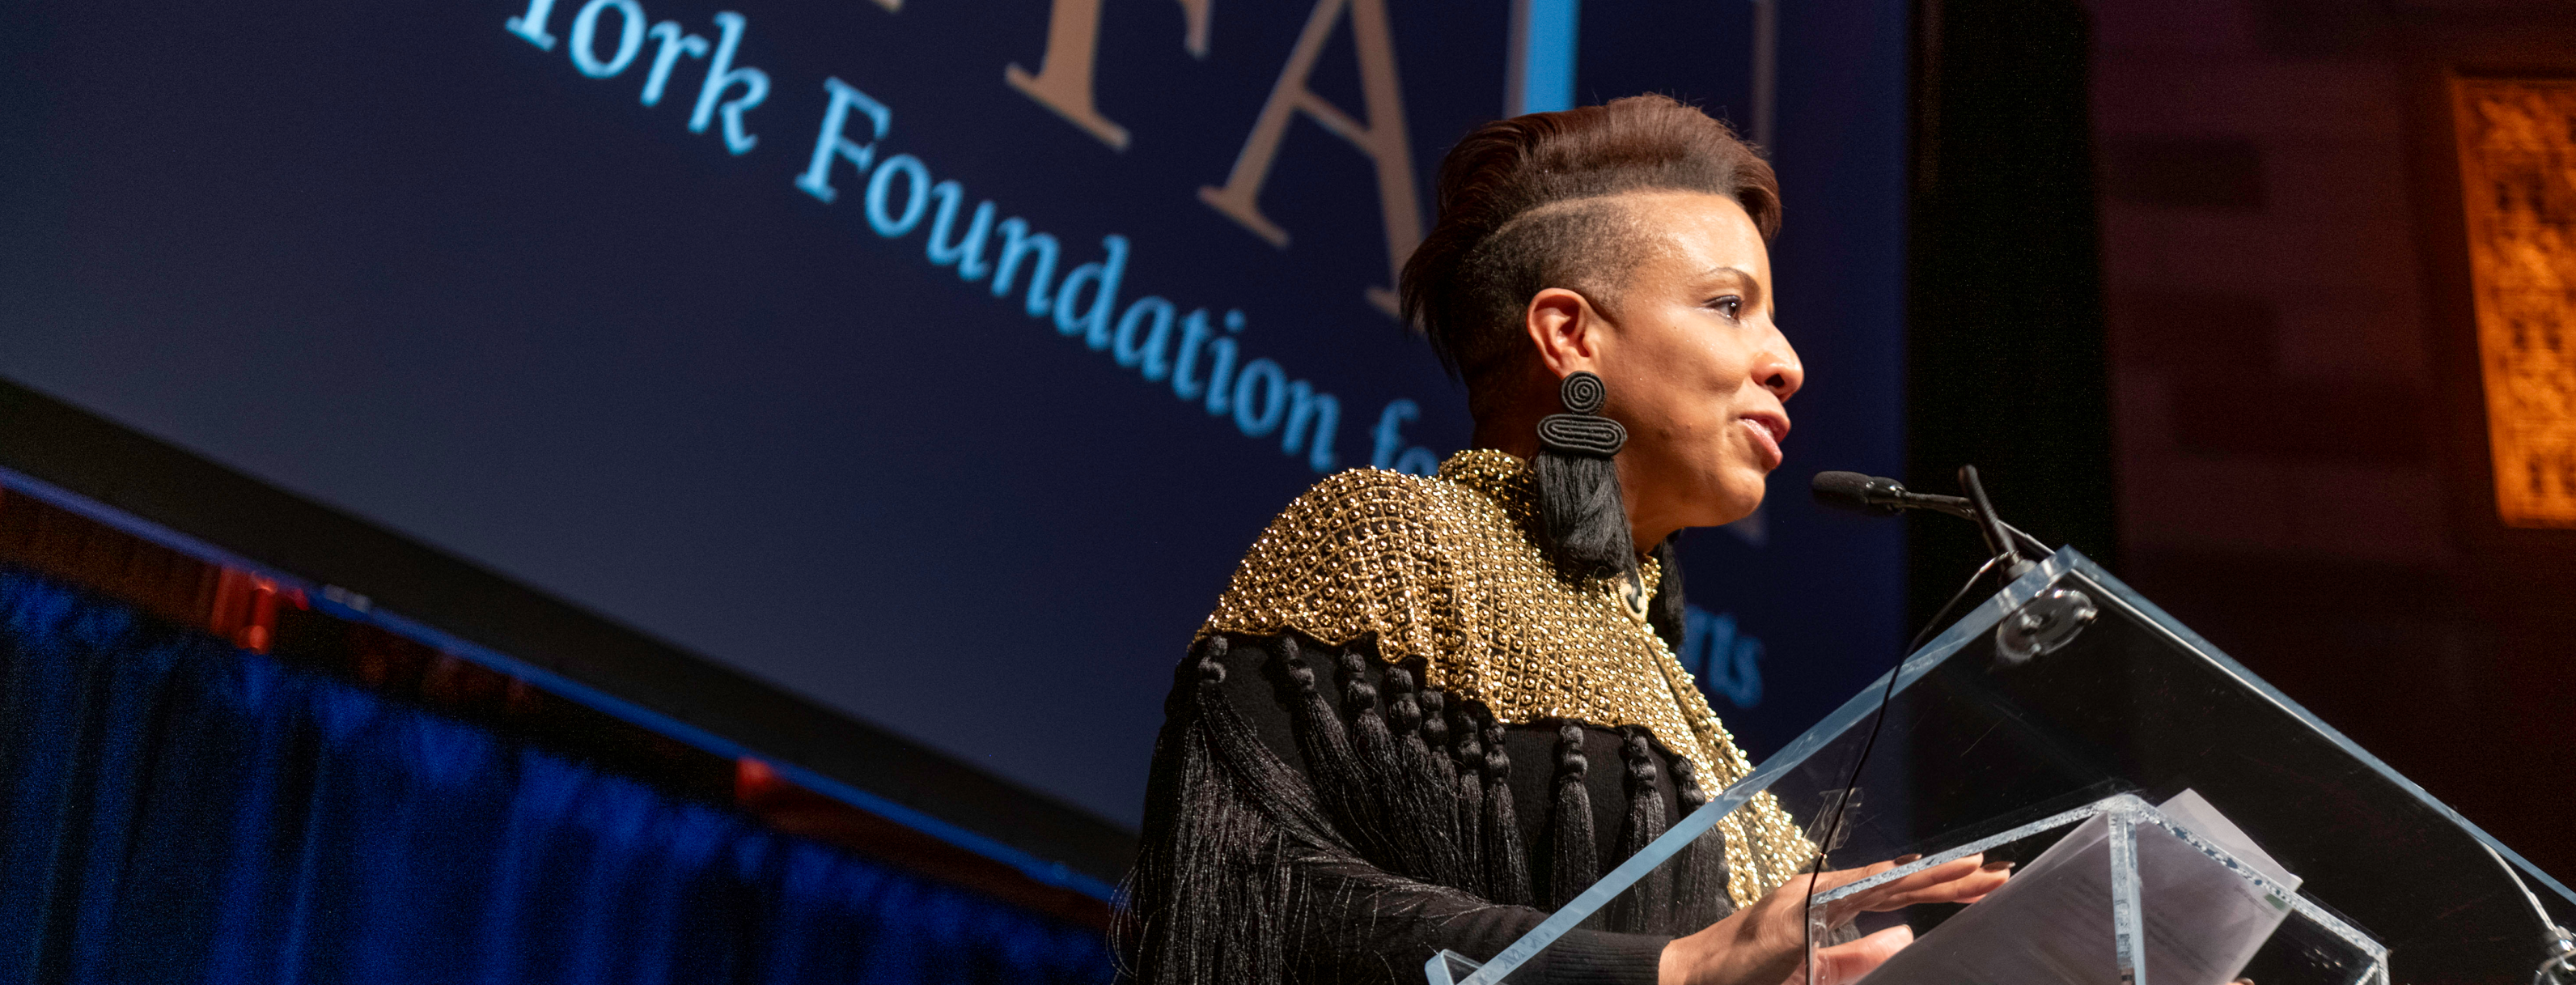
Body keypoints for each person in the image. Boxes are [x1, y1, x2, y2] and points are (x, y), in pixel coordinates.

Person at [1116, 95, 2006, 985]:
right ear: (1569, 333)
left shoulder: (1656, 665)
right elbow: (1251, 897)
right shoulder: (1390, 539)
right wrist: (1679, 967)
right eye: (1729, 304)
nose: (1786, 361)